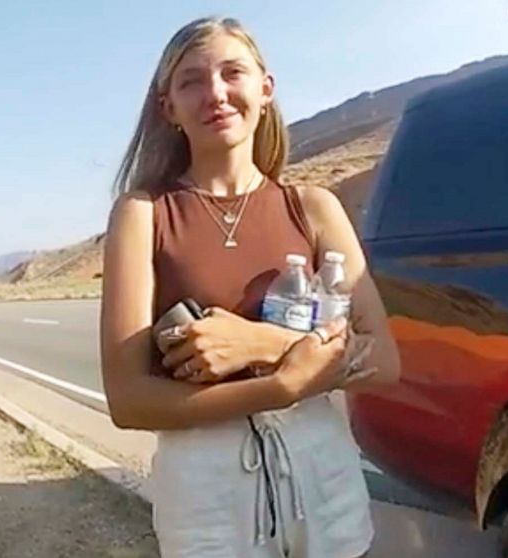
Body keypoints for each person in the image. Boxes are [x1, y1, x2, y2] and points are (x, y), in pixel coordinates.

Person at [98, 16, 401, 558]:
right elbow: (128, 400)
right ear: (168, 107)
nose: (215, 93)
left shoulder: (313, 207)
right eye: (191, 80)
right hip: (205, 499)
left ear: (265, 88)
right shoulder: (143, 213)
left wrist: (264, 345)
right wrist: (278, 387)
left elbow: (383, 359)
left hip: (326, 481)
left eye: (231, 72)